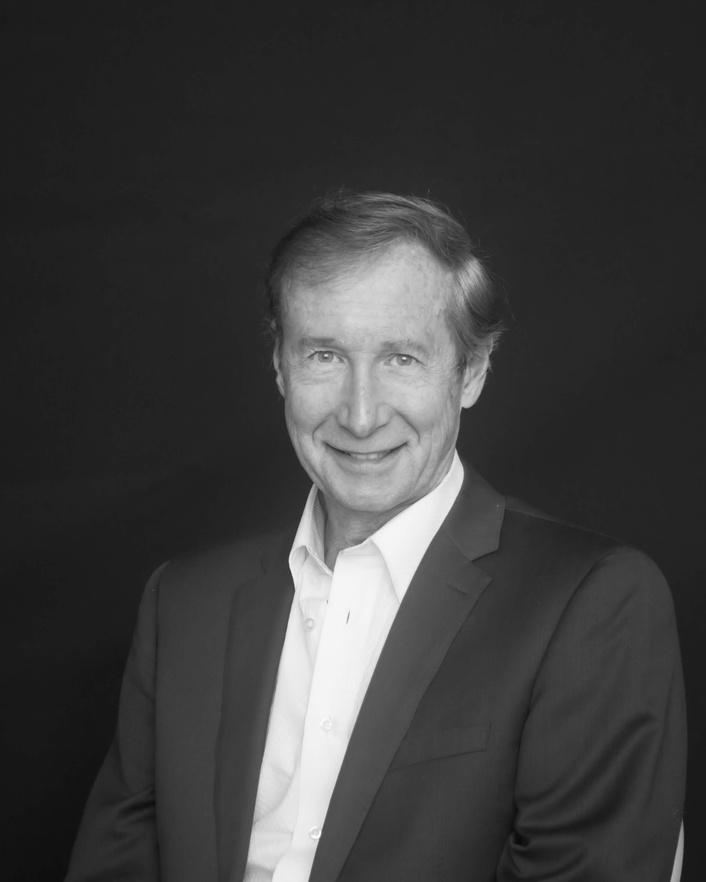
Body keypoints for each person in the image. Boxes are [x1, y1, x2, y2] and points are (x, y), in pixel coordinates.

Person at [65, 191, 687, 882]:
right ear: (280, 367)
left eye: (401, 359)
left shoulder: (592, 605)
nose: (360, 416)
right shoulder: (183, 603)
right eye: (324, 355)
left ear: (472, 371)